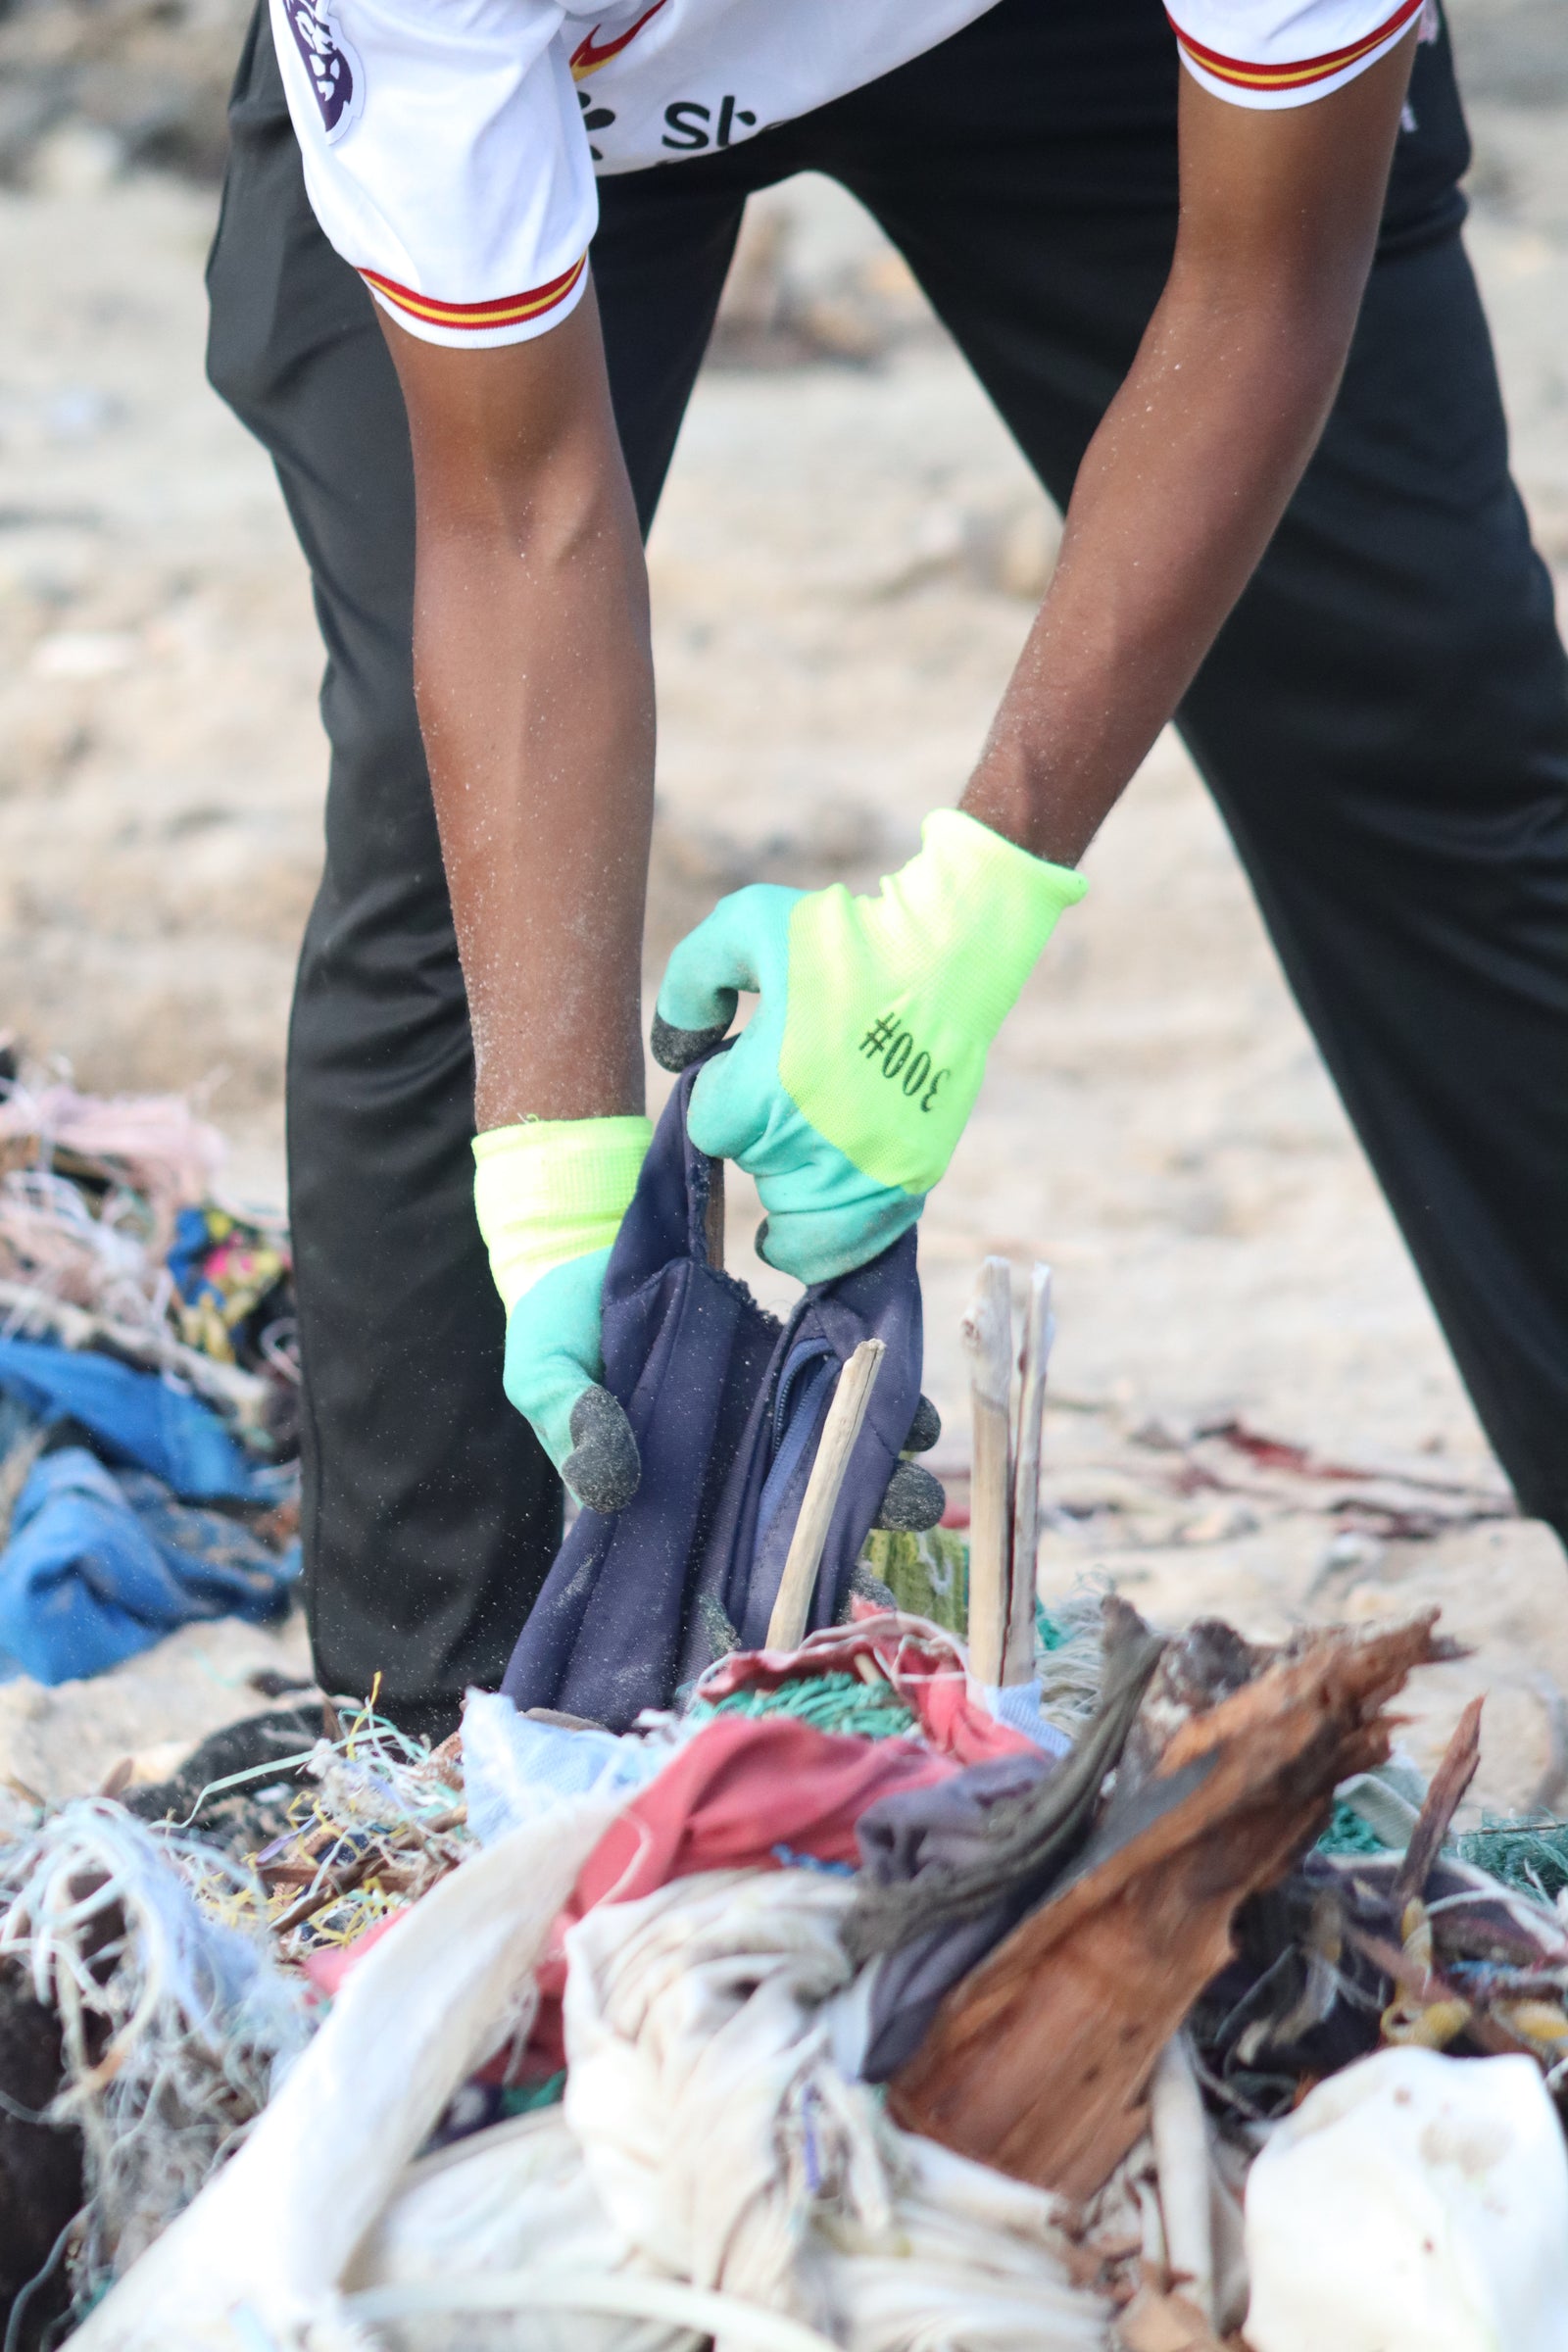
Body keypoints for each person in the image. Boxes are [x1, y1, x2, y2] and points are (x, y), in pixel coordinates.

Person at [206, 0, 1568, 1739]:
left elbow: (1266, 285)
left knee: (1430, 745)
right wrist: (554, 1183)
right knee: (449, 856)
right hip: (572, 72)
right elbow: (521, 512)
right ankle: (455, 1761)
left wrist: (972, 917)